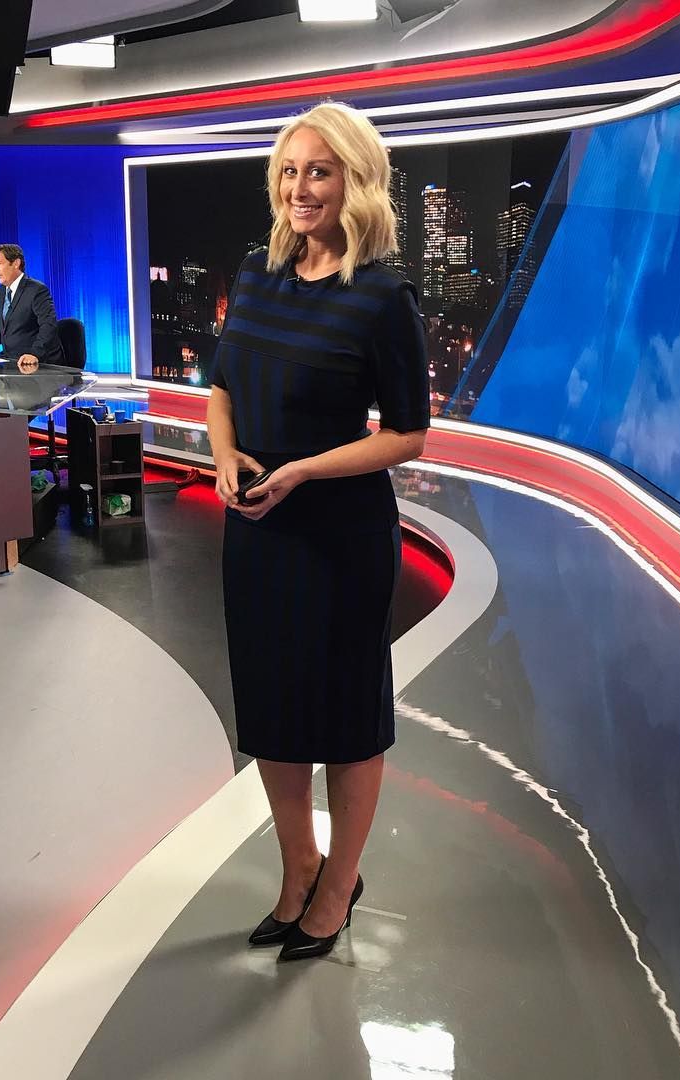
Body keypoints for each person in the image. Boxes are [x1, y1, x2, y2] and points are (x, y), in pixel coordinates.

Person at [206, 102, 430, 962]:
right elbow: (222, 388)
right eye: (290, 171)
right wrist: (224, 457)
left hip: (340, 538)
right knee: (272, 707)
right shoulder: (255, 273)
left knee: (344, 716)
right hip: (256, 533)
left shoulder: (382, 297)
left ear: (355, 181)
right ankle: (298, 864)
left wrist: (300, 470)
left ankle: (339, 884)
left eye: (319, 171)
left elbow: (407, 435)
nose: (300, 188)